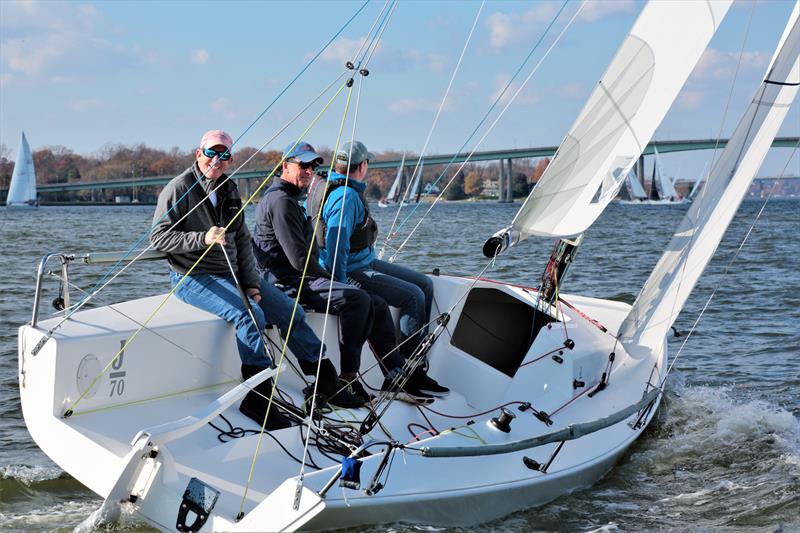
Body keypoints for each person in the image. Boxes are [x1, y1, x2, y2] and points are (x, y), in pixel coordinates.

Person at [150, 130, 343, 429]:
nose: (218, 160)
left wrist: (252, 283)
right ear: (198, 153)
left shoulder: (228, 188)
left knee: (291, 311)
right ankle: (257, 399)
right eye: (212, 152)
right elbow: (159, 238)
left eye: (225, 155)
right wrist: (202, 238)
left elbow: (242, 240)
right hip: (192, 276)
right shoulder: (179, 189)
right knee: (251, 315)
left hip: (231, 272)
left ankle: (325, 380)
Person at [252, 141, 433, 404]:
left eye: (313, 166)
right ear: (285, 166)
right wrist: (336, 280)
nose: (309, 171)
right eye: (302, 165)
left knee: (378, 304)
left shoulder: (290, 199)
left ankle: (394, 375)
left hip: (302, 277)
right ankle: (347, 378)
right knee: (357, 299)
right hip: (289, 284)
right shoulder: (280, 202)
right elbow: (299, 260)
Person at [307, 140, 448, 397]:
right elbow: (336, 245)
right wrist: (340, 285)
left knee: (424, 284)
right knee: (412, 295)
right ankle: (404, 371)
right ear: (362, 166)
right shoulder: (345, 197)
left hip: (364, 261)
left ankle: (415, 367)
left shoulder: (335, 186)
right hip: (351, 269)